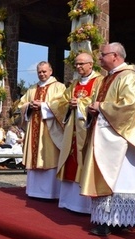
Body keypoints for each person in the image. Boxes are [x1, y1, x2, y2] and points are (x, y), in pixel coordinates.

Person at [81, 42, 135, 236]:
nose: (99, 59)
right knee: (108, 177)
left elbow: (130, 107)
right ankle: (109, 220)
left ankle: (117, 221)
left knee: (120, 179)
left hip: (122, 140)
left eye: (103, 55)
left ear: (115, 56)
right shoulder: (105, 79)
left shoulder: (130, 77)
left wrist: (101, 107)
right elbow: (98, 104)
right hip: (104, 137)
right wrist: (92, 109)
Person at [51, 53, 102, 214]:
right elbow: (61, 103)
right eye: (76, 64)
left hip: (88, 129)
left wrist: (79, 103)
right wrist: (69, 104)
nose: (78, 67)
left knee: (85, 161)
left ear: (90, 64)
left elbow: (99, 101)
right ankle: (69, 202)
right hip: (72, 129)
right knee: (70, 161)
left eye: (81, 64)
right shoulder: (74, 84)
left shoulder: (99, 81)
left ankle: (85, 206)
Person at [17, 61, 65, 199]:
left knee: (49, 156)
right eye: (39, 72)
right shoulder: (32, 89)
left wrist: (44, 106)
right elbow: (21, 104)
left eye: (44, 71)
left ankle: (51, 193)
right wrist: (29, 106)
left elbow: (62, 105)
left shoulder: (59, 87)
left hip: (49, 130)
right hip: (34, 128)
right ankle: (34, 191)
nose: (42, 74)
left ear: (50, 71)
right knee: (34, 157)